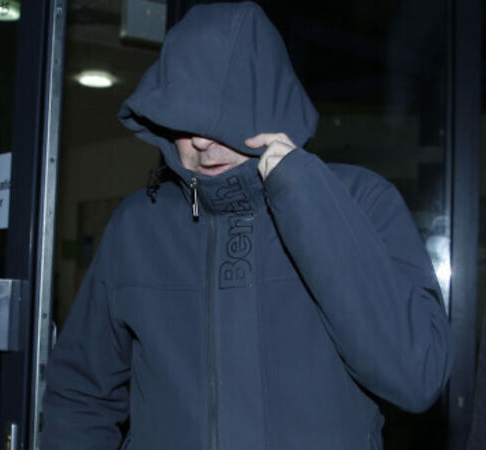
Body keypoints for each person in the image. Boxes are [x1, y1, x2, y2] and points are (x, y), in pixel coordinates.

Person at [41, 2, 453, 449]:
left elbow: (417, 377)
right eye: (183, 118)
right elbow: (80, 395)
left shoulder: (359, 200)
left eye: (220, 117)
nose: (201, 141)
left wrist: (303, 195)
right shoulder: (137, 226)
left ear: (266, 109)